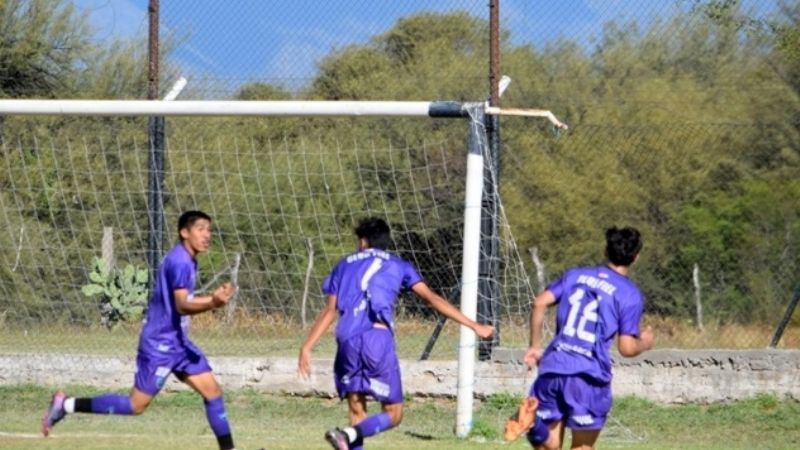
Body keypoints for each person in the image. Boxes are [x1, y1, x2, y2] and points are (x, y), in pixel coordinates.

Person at [42, 210, 240, 450]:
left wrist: (211, 302)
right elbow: (182, 304)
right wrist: (213, 302)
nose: (207, 235)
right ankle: (65, 405)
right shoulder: (179, 262)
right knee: (136, 406)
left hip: (178, 343)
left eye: (209, 230)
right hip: (160, 345)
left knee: (213, 392)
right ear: (184, 232)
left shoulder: (188, 259)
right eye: (201, 229)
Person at [298, 217, 494, 450]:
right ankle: (348, 433)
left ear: (362, 242)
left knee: (357, 410)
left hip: (347, 340)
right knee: (394, 414)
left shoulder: (343, 265)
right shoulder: (398, 264)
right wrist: (474, 326)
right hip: (376, 339)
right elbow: (432, 299)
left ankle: (349, 434)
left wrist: (307, 346)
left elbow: (330, 310)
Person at [521, 226, 655, 450]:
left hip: (553, 367)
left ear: (606, 250)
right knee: (582, 447)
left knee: (549, 446)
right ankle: (534, 426)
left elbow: (539, 303)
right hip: (587, 376)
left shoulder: (576, 275)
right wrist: (646, 343)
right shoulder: (629, 294)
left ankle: (535, 429)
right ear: (635, 257)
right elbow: (627, 347)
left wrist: (535, 347)